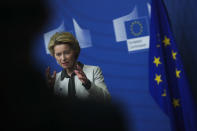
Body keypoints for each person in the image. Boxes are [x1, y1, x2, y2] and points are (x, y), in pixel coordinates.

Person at [46, 32, 110, 102]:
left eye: (67, 52)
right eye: (58, 54)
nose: (63, 58)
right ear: (54, 56)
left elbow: (106, 99)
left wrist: (87, 84)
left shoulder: (94, 70)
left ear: (75, 51)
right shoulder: (55, 79)